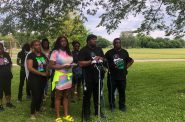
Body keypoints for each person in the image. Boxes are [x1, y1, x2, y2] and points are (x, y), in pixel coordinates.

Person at [78, 34, 105, 121]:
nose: (95, 41)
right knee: (87, 96)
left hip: (98, 76)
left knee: (97, 95)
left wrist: (101, 58)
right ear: (88, 40)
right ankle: (86, 114)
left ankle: (98, 111)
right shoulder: (83, 50)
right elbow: (80, 63)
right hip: (87, 77)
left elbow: (104, 59)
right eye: (94, 39)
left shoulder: (99, 49)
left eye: (96, 39)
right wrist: (91, 61)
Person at [49, 36, 74, 122]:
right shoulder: (55, 52)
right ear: (58, 42)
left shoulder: (68, 52)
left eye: (65, 41)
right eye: (62, 41)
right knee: (58, 96)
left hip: (68, 76)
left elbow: (70, 61)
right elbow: (51, 65)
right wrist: (63, 66)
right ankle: (58, 116)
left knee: (66, 95)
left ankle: (66, 115)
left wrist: (72, 64)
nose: (64, 42)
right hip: (60, 76)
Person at [105, 38, 134, 112]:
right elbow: (104, 62)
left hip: (122, 76)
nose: (117, 44)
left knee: (122, 91)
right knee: (111, 92)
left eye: (119, 42)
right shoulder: (109, 53)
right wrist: (110, 67)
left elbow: (131, 61)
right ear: (113, 44)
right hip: (112, 76)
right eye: (116, 43)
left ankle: (122, 106)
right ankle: (112, 106)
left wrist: (125, 67)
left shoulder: (124, 52)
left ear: (121, 43)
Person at [27, 40, 49, 119]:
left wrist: (46, 72)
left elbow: (46, 64)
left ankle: (38, 109)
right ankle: (32, 113)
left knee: (40, 95)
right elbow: (30, 68)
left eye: (39, 44)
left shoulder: (43, 55)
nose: (38, 46)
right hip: (34, 79)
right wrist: (42, 73)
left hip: (42, 79)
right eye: (36, 45)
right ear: (33, 47)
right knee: (35, 96)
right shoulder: (31, 55)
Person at [0, 43, 15, 112]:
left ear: (3, 48)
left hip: (7, 76)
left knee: (8, 91)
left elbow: (10, 63)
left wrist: (9, 70)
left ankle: (8, 103)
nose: (0, 50)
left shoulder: (6, 54)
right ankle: (0, 105)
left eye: (1, 48)